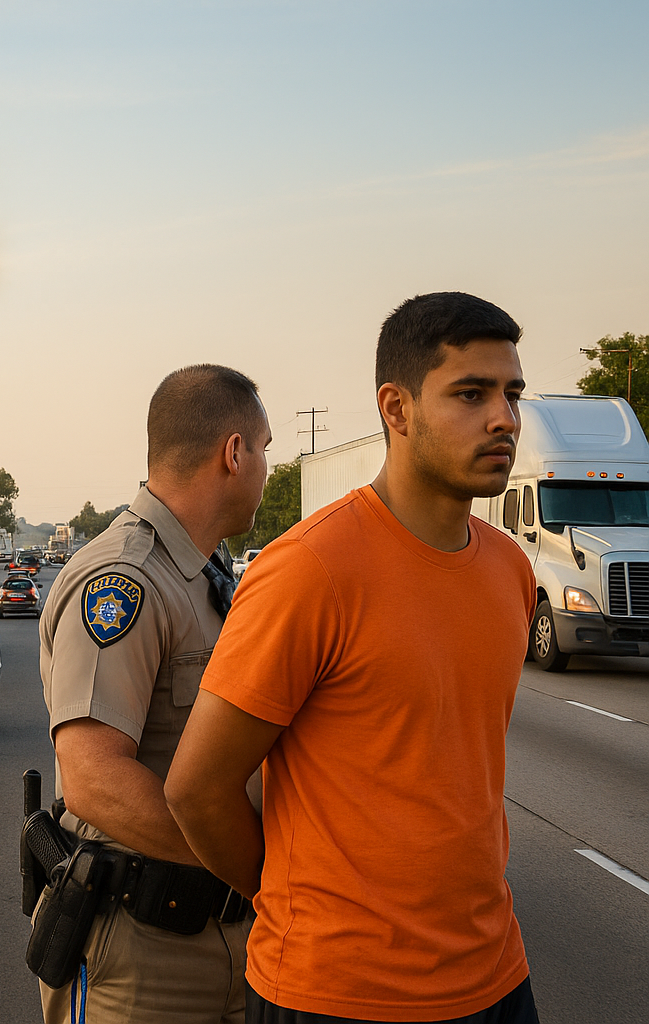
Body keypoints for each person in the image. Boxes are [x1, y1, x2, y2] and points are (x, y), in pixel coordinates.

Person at [166, 292, 539, 1024]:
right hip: (335, 992)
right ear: (396, 410)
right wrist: (293, 898)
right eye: (471, 393)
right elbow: (196, 790)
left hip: (495, 977)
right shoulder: (310, 569)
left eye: (512, 393)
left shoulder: (510, 570)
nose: (504, 418)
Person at [35, 365, 272, 1023]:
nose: (265, 470)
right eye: (264, 450)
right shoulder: (123, 581)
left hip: (234, 940)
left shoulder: (201, 574)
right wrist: (257, 868)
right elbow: (94, 778)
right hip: (141, 956)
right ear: (233, 452)